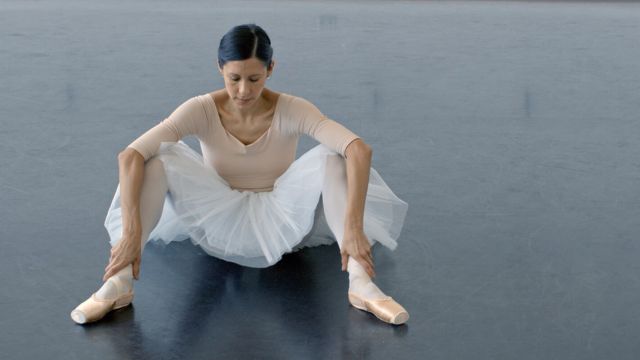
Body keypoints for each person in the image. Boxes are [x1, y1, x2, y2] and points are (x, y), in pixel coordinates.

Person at [70, 24, 409, 326]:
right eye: (234, 78)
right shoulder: (201, 109)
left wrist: (352, 227)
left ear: (271, 69)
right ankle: (119, 283)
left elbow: (357, 149)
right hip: (216, 220)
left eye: (254, 79)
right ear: (220, 69)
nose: (244, 91)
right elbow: (130, 156)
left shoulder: (291, 108)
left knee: (332, 159)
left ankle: (361, 284)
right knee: (161, 158)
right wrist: (131, 234)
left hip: (283, 222)